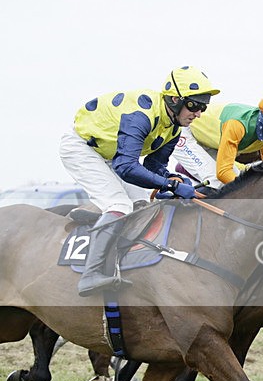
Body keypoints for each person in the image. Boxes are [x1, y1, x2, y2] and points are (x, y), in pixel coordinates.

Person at [60, 66, 219, 296]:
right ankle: (90, 275)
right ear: (175, 100)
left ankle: (108, 234)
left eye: (203, 107)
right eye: (194, 105)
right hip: (82, 148)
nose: (198, 114)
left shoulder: (174, 127)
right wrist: (169, 185)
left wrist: (172, 179)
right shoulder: (141, 116)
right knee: (120, 205)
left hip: (110, 155)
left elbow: (154, 167)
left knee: (143, 203)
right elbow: (126, 167)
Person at [172, 84, 263, 190]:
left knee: (238, 177)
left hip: (210, 142)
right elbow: (223, 173)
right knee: (217, 180)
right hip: (186, 132)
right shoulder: (238, 125)